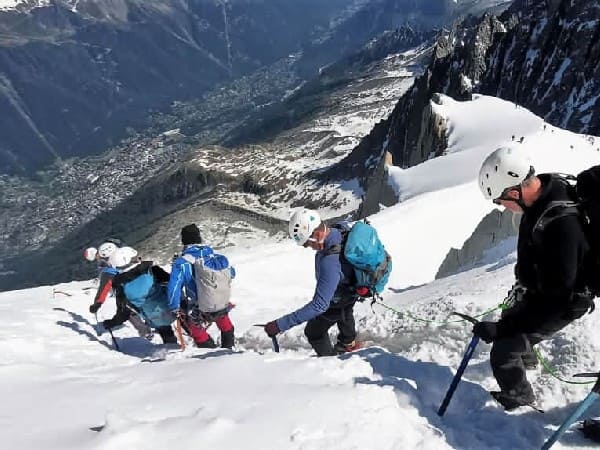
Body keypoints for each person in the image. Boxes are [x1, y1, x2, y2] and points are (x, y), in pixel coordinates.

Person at [474, 146, 594, 410]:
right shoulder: (544, 197)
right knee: (511, 322)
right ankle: (526, 359)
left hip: (566, 301)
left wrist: (504, 330)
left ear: (515, 191)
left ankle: (520, 397)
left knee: (503, 349)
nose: (501, 207)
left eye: (499, 200)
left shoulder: (562, 224)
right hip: (544, 291)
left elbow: (557, 295)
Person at [263, 208, 361, 356]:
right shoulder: (338, 230)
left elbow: (319, 305)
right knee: (346, 311)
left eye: (307, 243)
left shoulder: (330, 261)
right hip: (350, 291)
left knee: (313, 331)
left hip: (338, 299)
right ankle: (348, 342)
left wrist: (279, 325)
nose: (308, 247)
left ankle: (331, 362)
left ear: (317, 234)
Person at [167, 224, 236, 349]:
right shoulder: (212, 256)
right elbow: (232, 273)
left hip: (199, 306)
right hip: (220, 300)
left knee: (197, 332)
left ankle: (209, 354)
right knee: (224, 321)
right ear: (199, 239)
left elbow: (174, 287)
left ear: (184, 241)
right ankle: (229, 347)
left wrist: (174, 307)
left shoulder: (182, 263)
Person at [102, 247, 177, 344]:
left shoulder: (119, 285)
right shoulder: (150, 269)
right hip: (171, 305)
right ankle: (199, 341)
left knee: (164, 329)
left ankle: (170, 346)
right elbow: (171, 282)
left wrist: (112, 322)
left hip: (154, 317)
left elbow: (123, 312)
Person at [85, 242, 153, 340]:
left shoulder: (108, 272)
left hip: (127, 294)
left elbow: (103, 290)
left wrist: (97, 304)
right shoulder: (128, 255)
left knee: (128, 311)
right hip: (147, 287)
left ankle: (146, 331)